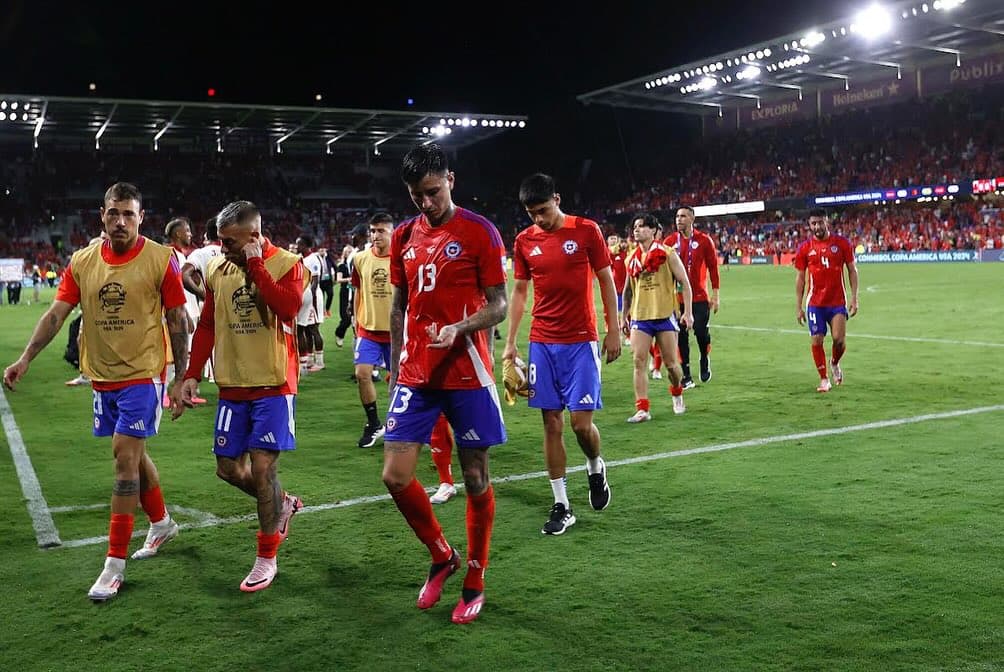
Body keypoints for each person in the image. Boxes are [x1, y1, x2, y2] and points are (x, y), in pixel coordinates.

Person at [3, 182, 189, 601]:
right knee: (135, 456)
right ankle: (161, 524)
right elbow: (56, 314)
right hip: (101, 377)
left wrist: (181, 377)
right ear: (101, 216)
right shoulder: (82, 261)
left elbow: (178, 319)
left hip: (143, 375)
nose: (120, 221)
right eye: (113, 213)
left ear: (142, 217)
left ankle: (113, 565)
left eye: (129, 214)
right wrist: (25, 358)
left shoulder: (161, 259)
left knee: (124, 459)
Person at [382, 143, 507, 625]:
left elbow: (497, 303)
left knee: (475, 478)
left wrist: (462, 326)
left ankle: (475, 578)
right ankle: (442, 556)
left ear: (450, 179)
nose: (426, 203)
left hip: (467, 371)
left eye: (432, 192)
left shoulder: (480, 232)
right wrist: (395, 366)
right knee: (395, 476)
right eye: (417, 196)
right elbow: (398, 306)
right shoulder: (403, 236)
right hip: (416, 372)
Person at [178, 200, 306, 591]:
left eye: (229, 242)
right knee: (228, 469)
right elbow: (208, 326)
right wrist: (192, 374)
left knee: (264, 468)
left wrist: (255, 265)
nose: (222, 248)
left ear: (253, 236)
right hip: (232, 386)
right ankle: (282, 503)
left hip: (273, 384)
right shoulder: (217, 268)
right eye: (219, 240)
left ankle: (266, 557)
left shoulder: (287, 263)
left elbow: (288, 307)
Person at [504, 173, 621, 536]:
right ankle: (562, 504)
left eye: (542, 210)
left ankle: (595, 466)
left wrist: (613, 329)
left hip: (581, 341)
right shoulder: (524, 241)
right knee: (550, 423)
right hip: (543, 342)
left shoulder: (587, 231)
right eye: (531, 213)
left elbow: (605, 279)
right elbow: (521, 292)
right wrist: (510, 342)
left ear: (557, 197)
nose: (538, 218)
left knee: (580, 425)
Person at [622, 212, 694, 421]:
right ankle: (642, 408)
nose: (637, 230)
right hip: (640, 316)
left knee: (672, 365)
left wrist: (687, 313)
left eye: (643, 226)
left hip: (664, 315)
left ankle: (677, 392)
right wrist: (623, 316)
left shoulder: (668, 254)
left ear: (654, 230)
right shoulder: (631, 258)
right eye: (635, 226)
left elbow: (685, 283)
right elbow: (627, 291)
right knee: (638, 361)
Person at [794, 209, 859, 392]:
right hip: (815, 303)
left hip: (837, 301)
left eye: (820, 222)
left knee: (839, 341)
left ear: (827, 222)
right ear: (809, 225)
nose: (817, 227)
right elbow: (800, 278)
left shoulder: (841, 244)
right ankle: (824, 379)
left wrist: (854, 298)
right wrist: (798, 307)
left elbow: (852, 271)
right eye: (813, 223)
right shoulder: (805, 248)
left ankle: (834, 362)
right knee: (816, 340)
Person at [350, 212, 395, 448]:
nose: (375, 235)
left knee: (399, 383)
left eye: (381, 231)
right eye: (372, 231)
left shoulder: (401, 260)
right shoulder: (359, 259)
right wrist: (357, 320)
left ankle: (401, 423)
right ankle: (374, 422)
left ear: (392, 233)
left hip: (395, 333)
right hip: (368, 330)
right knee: (362, 373)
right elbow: (358, 290)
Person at [663, 206, 720, 387]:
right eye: (677, 216)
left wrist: (716, 295)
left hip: (700, 298)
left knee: (701, 334)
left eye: (683, 216)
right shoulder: (669, 241)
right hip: (677, 299)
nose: (679, 219)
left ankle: (704, 357)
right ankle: (686, 375)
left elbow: (713, 268)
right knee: (681, 337)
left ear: (692, 219)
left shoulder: (704, 241)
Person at [181, 217, 224, 384]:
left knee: (209, 339)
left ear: (207, 234)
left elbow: (184, 275)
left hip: (209, 306)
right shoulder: (234, 250)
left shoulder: (200, 253)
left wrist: (203, 294)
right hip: (232, 304)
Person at [295, 235, 326, 372]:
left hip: (312, 297)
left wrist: (311, 302)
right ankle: (310, 360)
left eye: (300, 244)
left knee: (313, 329)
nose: (297, 247)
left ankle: (320, 362)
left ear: (307, 245)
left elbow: (315, 281)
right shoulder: (302, 258)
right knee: (306, 329)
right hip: (305, 296)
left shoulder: (313, 259)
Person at [332, 245, 354, 348]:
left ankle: (358, 339)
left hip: (354, 292)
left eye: (351, 251)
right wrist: (350, 279)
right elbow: (338, 279)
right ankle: (339, 333)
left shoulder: (355, 264)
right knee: (346, 318)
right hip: (345, 292)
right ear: (344, 253)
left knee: (355, 318)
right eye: (347, 251)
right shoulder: (342, 265)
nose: (349, 252)